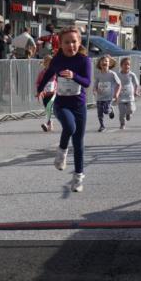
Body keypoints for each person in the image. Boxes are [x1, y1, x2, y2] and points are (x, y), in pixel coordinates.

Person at [36, 27, 92, 192]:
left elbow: (87, 82)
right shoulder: (57, 60)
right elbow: (48, 74)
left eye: (74, 42)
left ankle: (78, 178)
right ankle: (61, 151)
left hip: (79, 105)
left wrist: (74, 75)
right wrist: (39, 89)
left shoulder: (84, 60)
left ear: (79, 42)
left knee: (78, 143)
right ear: (60, 44)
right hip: (62, 104)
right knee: (69, 127)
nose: (71, 46)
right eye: (67, 42)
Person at [93, 55, 121, 132]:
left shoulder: (112, 74)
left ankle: (110, 110)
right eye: (102, 61)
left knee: (106, 111)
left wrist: (116, 94)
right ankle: (102, 126)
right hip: (99, 97)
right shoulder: (98, 75)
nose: (104, 62)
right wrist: (95, 90)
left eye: (106, 61)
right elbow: (95, 85)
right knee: (99, 113)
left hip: (109, 97)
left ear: (110, 64)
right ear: (99, 64)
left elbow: (119, 84)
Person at [116, 57, 139, 130]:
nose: (127, 66)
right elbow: (114, 83)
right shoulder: (118, 75)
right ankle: (122, 124)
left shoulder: (131, 74)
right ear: (121, 66)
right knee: (122, 112)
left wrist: (136, 91)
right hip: (121, 96)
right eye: (125, 64)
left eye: (128, 64)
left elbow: (136, 84)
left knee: (131, 109)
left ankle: (129, 114)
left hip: (129, 96)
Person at [35, 55, 56, 132]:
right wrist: (40, 91)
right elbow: (38, 83)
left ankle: (47, 124)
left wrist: (56, 89)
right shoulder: (42, 73)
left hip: (53, 93)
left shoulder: (55, 72)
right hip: (45, 94)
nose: (49, 64)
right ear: (44, 63)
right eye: (47, 62)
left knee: (49, 107)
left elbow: (58, 81)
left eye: (50, 62)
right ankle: (50, 124)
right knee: (47, 109)